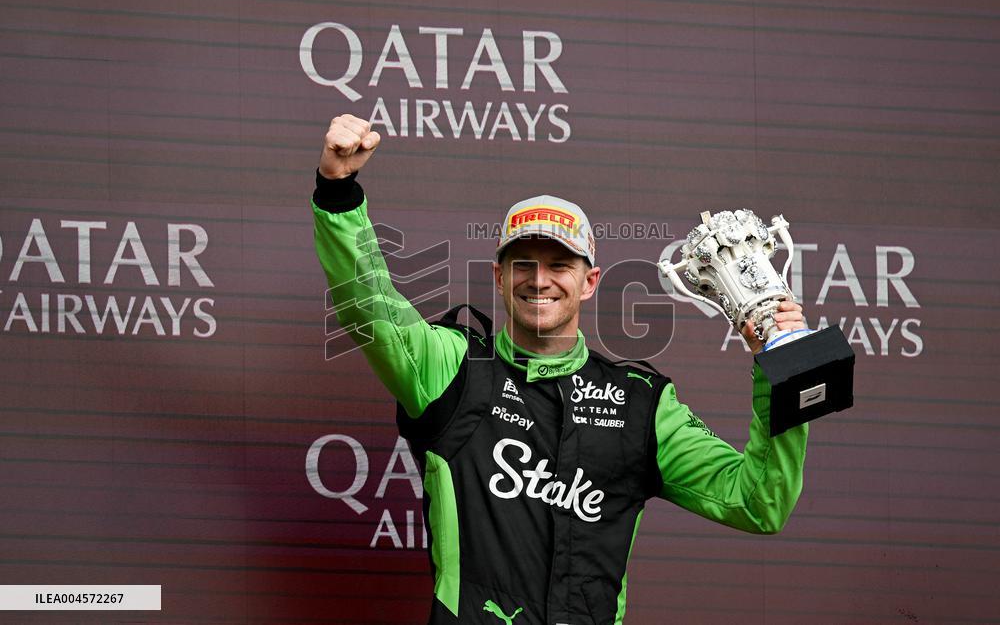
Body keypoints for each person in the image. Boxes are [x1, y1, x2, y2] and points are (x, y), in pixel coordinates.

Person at [312, 114, 809, 625]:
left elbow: (756, 502)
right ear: (499, 276)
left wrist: (785, 365)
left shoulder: (642, 404)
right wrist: (339, 193)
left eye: (559, 265)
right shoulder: (452, 367)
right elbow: (370, 305)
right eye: (523, 263)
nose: (539, 280)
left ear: (590, 281)